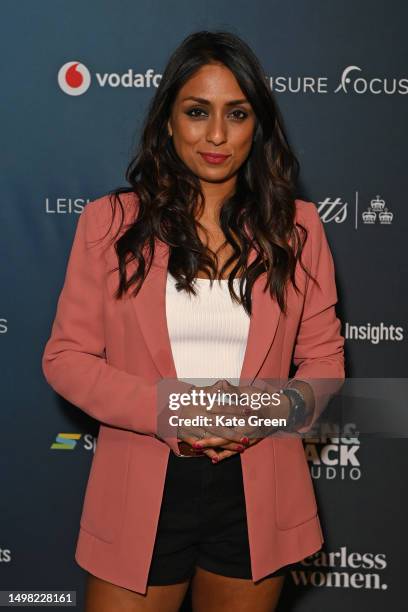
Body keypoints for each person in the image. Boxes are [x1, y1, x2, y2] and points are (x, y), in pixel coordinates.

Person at [42, 30, 345, 612]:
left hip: (256, 492)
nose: (216, 135)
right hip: (142, 486)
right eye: (197, 112)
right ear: (169, 120)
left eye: (237, 114)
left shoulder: (298, 228)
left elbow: (325, 361)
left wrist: (257, 412)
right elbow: (66, 358)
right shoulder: (111, 223)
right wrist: (172, 409)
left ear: (257, 125)